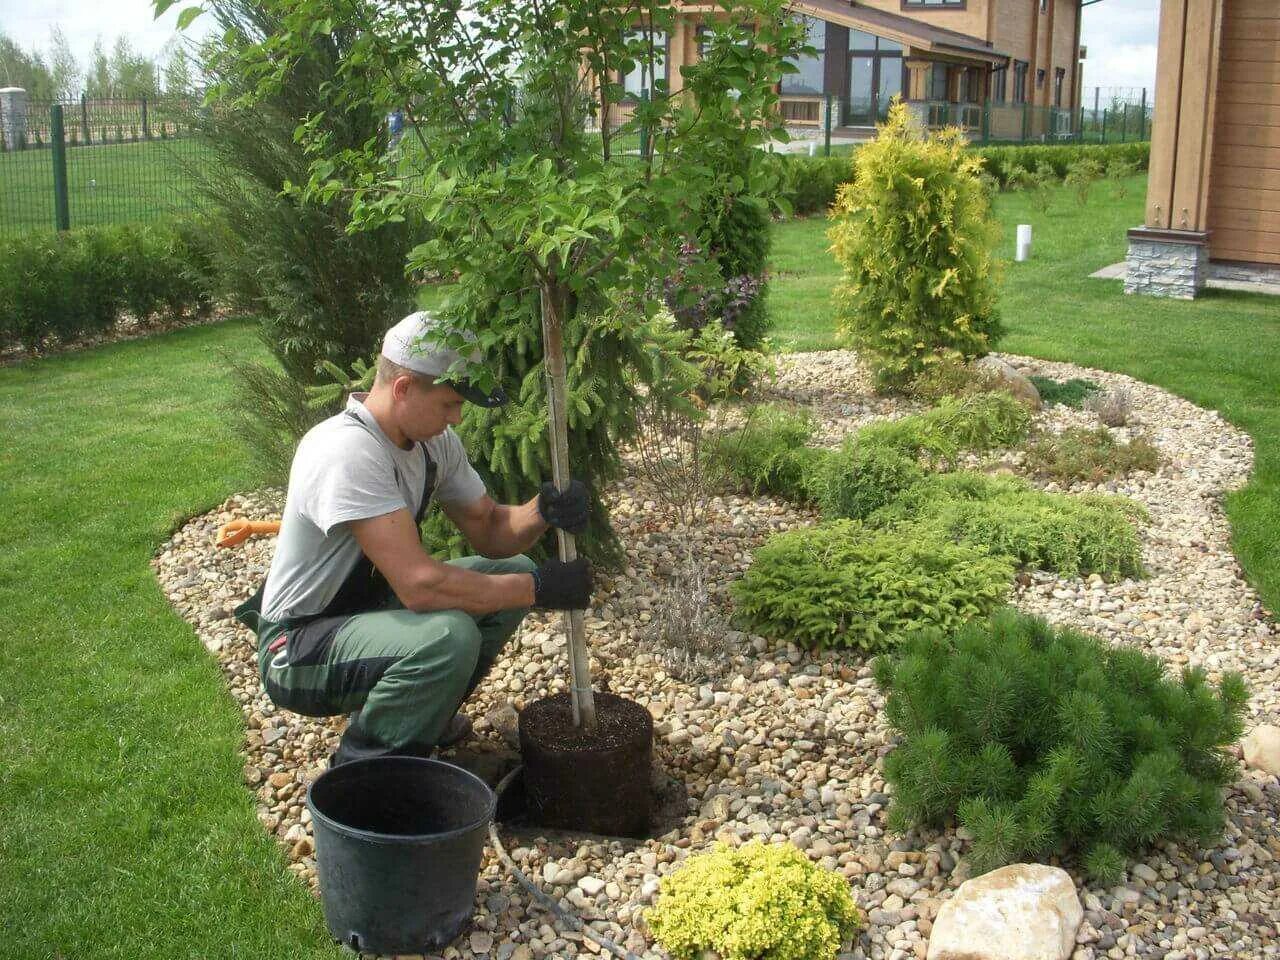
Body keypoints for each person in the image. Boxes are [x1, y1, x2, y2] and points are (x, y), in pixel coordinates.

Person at [235, 310, 594, 766]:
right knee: (448, 636)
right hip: (299, 645)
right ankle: (366, 773)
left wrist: (541, 511)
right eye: (449, 404)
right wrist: (541, 590)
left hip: (366, 614)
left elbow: (489, 528)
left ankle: (420, 713)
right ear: (403, 387)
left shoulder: (431, 442)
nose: (458, 418)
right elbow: (420, 585)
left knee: (514, 570)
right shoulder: (347, 451)